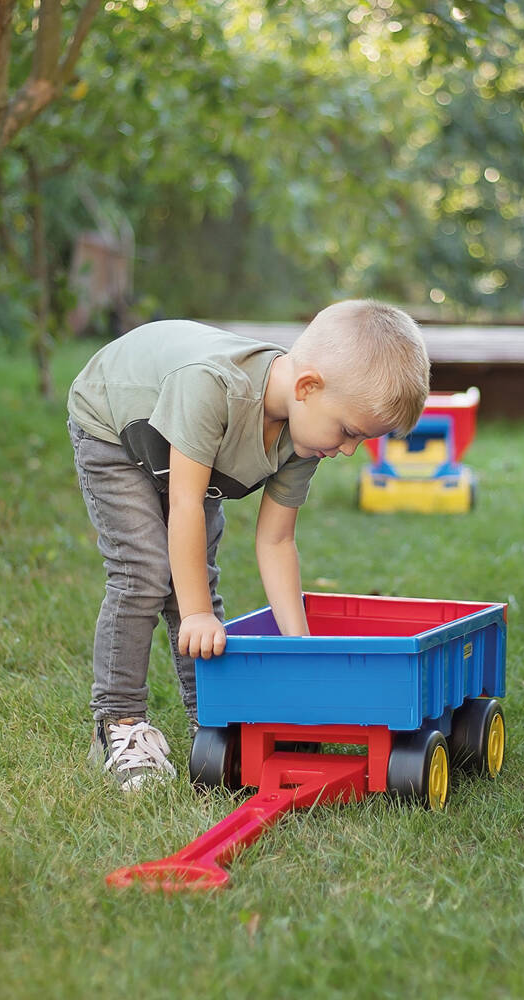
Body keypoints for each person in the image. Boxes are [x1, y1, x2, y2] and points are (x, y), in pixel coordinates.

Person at [67, 300, 430, 790]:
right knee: (146, 572)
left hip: (187, 459)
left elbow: (277, 540)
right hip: (114, 426)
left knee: (195, 579)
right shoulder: (214, 389)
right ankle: (120, 723)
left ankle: (212, 721)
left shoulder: (306, 434)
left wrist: (302, 650)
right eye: (349, 432)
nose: (347, 450)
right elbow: (187, 504)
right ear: (307, 388)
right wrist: (196, 614)